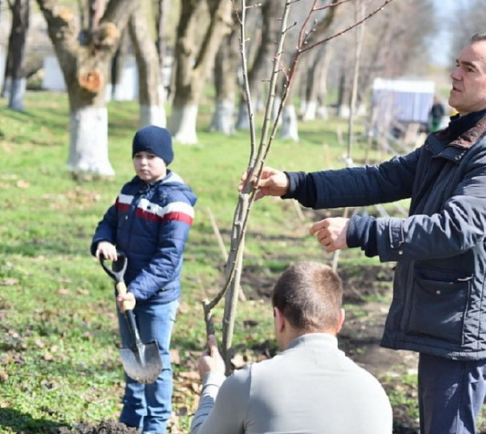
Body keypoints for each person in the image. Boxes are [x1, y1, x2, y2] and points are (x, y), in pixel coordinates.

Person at [242, 31, 486, 434]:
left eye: (469, 69)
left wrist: (359, 231)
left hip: (464, 326)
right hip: (444, 320)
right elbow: (381, 179)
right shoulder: (455, 138)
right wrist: (295, 184)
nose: (454, 74)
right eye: (457, 64)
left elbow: (455, 228)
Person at [190, 261, 393, 434]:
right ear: (340, 320)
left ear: (279, 319)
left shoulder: (249, 383)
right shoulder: (374, 392)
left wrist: (212, 380)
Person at [91, 125, 197, 434]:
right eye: (138, 155)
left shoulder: (176, 200)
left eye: (151, 156)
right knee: (132, 354)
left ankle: (155, 425)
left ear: (166, 158)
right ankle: (130, 420)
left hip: (155, 297)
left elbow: (168, 256)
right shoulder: (129, 190)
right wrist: (103, 241)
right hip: (126, 290)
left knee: (156, 362)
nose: (143, 162)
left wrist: (137, 292)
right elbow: (109, 221)